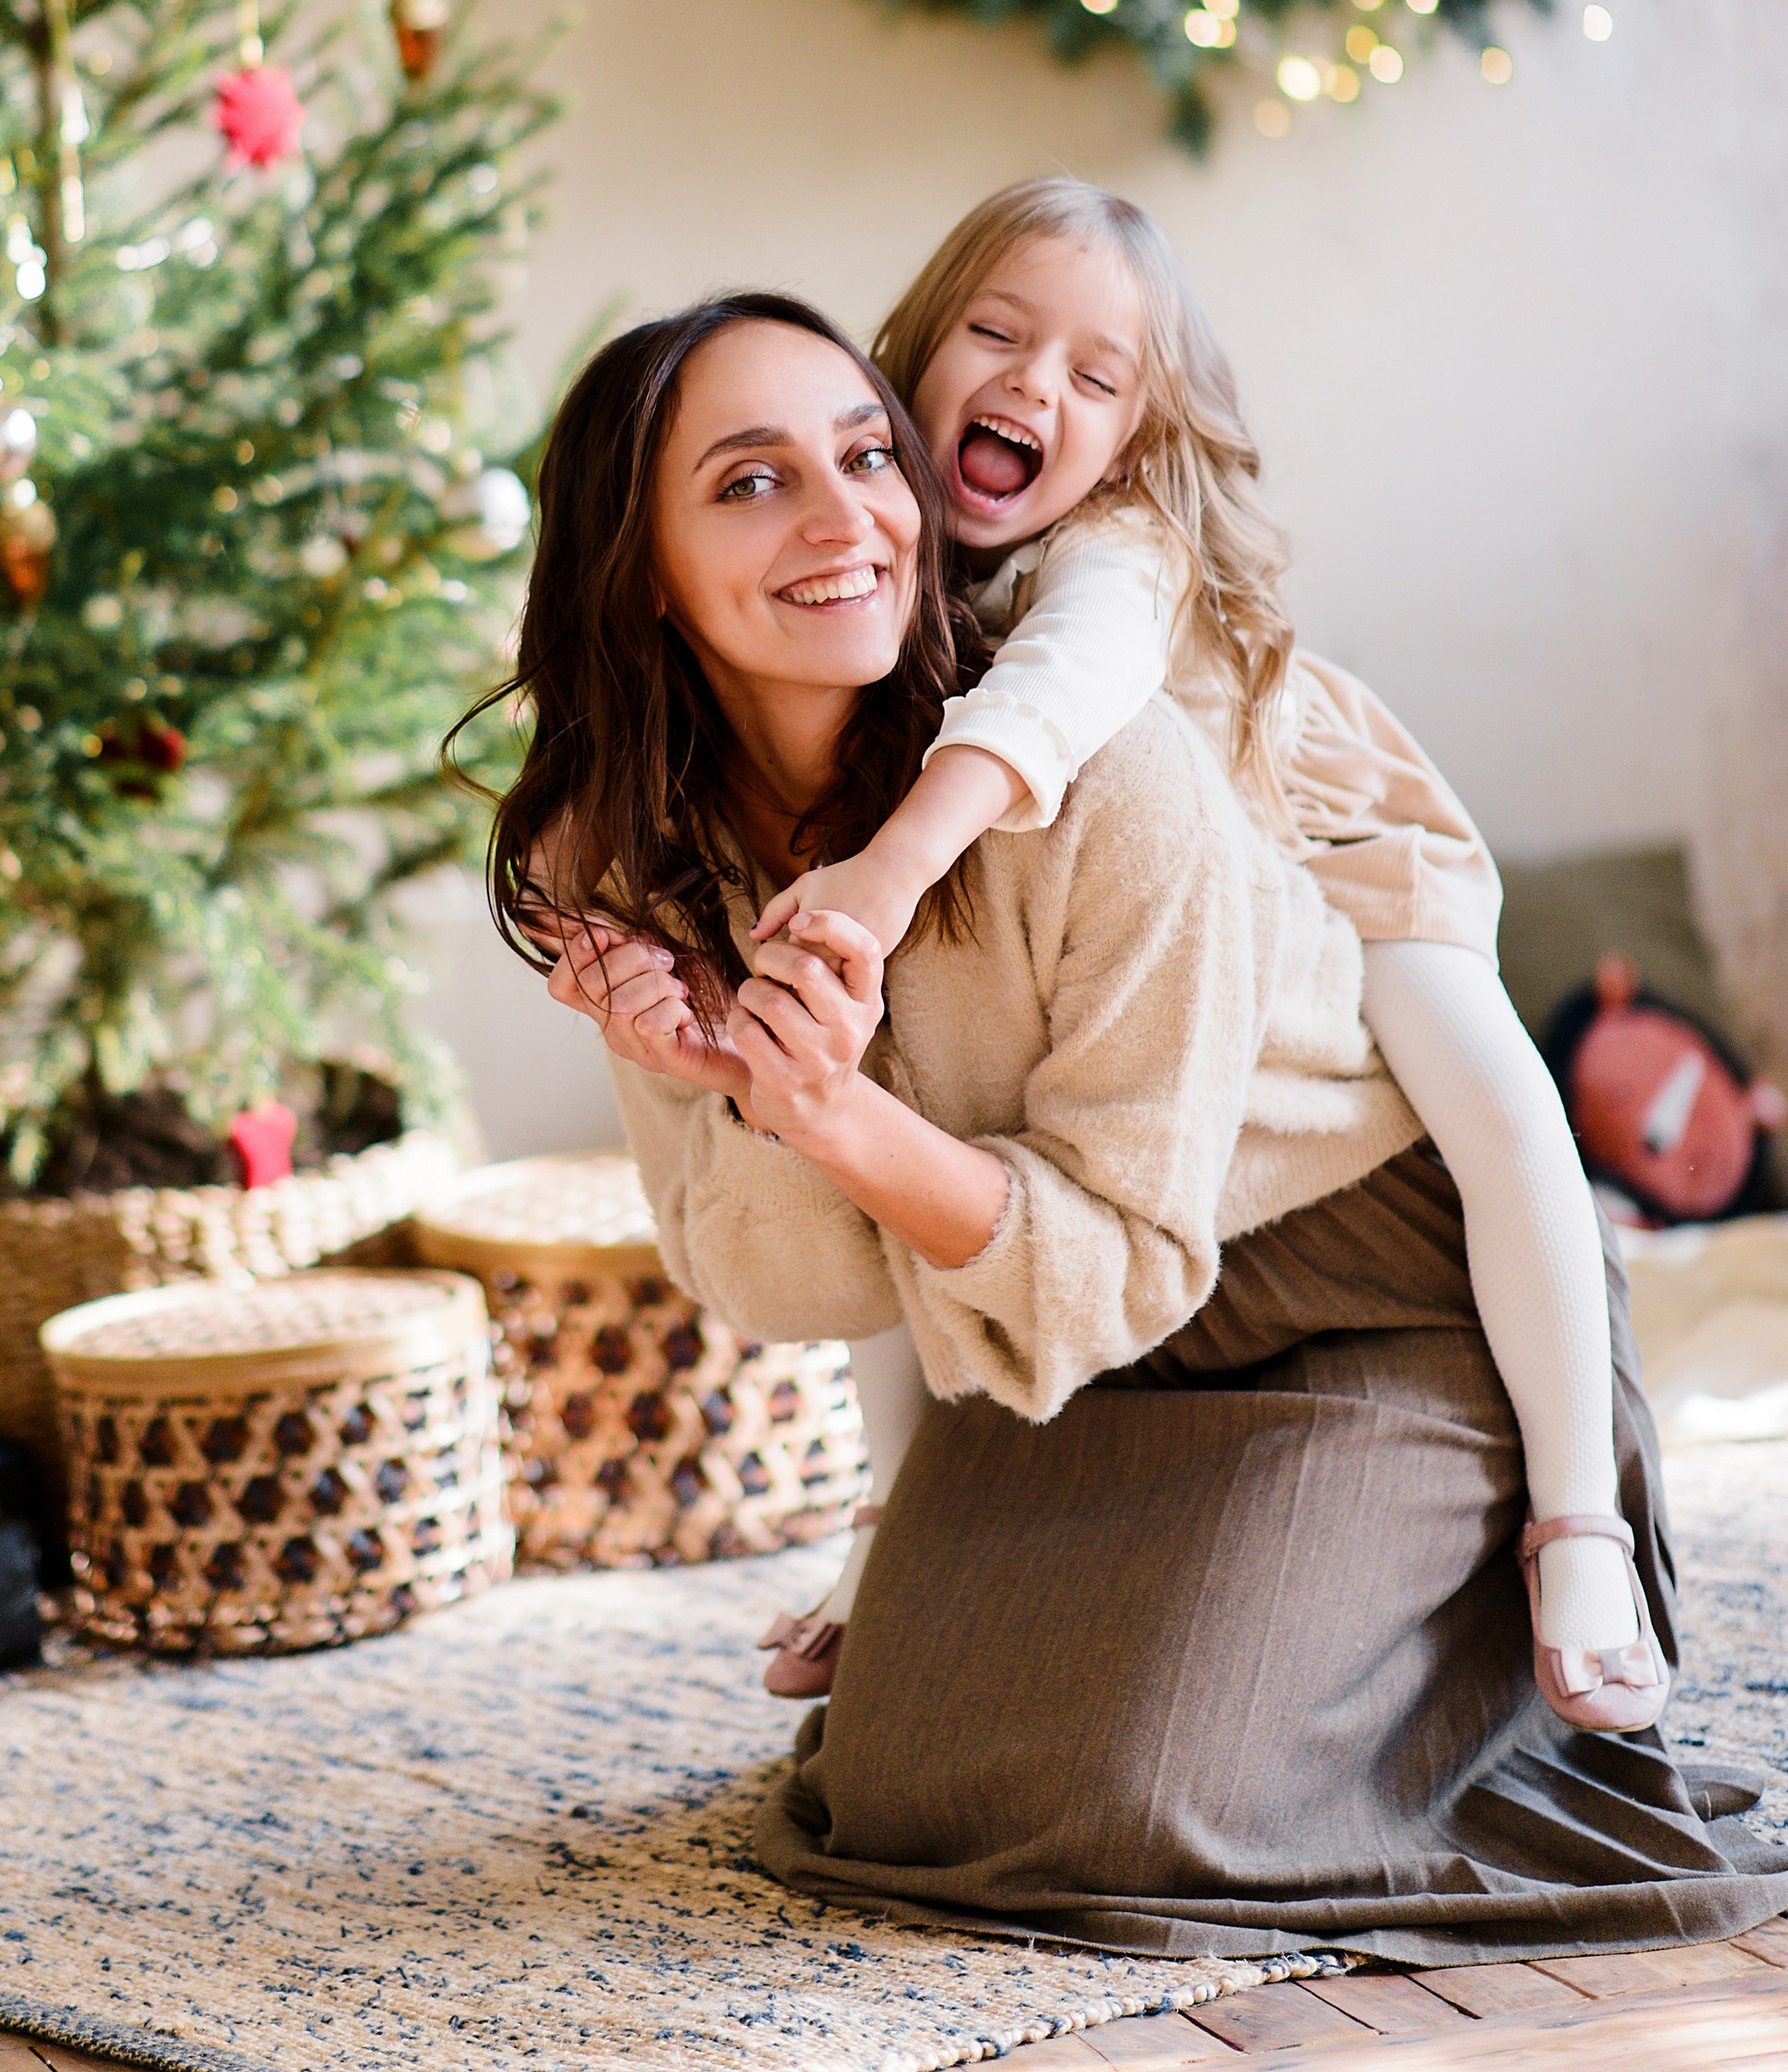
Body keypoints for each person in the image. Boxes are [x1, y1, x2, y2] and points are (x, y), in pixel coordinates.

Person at [480, 291, 1787, 1961]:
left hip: (1363, 1298)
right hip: (1051, 1343)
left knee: (1125, 1807)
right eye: (750, 481)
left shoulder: (1100, 776)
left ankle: (1485, 1610)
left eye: (866, 456)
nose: (844, 517)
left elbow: (1127, 1260)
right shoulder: (629, 857)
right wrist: (744, 1089)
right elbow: (797, 1286)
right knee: (899, 1792)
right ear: (641, 570)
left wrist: (831, 1111)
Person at [743, 178, 1651, 1729]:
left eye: (1095, 378)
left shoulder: (1125, 549)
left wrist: (885, 874)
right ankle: (888, 1516)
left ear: (1133, 441)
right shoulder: (880, 551)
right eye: (999, 336)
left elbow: (1063, 688)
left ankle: (1580, 1523)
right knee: (887, 1113)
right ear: (920, 353)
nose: (1037, 385)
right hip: (1123, 915)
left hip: (1328, 844)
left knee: (1505, 1116)